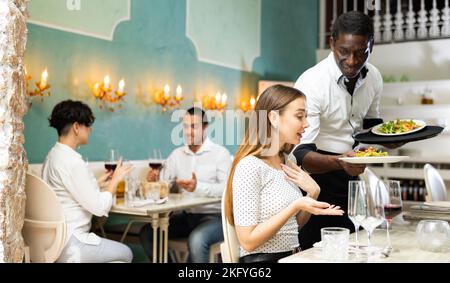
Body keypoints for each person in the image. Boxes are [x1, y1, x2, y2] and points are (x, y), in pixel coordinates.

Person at [292, 11, 399, 250]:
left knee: (353, 247)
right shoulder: (313, 82)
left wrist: (391, 138)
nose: (352, 61)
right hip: (314, 182)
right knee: (316, 253)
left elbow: (371, 127)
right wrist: (341, 162)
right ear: (331, 43)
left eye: (361, 52)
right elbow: (300, 155)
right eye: (344, 51)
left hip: (351, 179)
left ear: (372, 44)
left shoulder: (374, 78)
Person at [224, 85, 344, 263]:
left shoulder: (289, 161)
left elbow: (291, 228)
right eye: (299, 116)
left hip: (294, 255)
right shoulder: (249, 166)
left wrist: (313, 193)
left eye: (306, 116)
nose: (306, 124)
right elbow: (248, 242)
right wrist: (295, 206)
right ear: (273, 117)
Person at [42, 100, 133, 263]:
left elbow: (64, 193)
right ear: (77, 127)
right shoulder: (73, 162)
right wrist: (115, 181)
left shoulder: (53, 155)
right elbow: (99, 208)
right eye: (88, 125)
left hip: (50, 242)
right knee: (126, 253)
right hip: (71, 244)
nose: (90, 130)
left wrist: (96, 185)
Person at [139, 107, 232, 263]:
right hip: (187, 217)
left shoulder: (220, 154)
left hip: (215, 218)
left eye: (194, 126)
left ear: (205, 128)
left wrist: (197, 187)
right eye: (186, 126)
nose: (189, 131)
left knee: (197, 239)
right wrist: (154, 181)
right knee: (148, 233)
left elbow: (226, 190)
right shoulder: (177, 155)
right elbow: (164, 183)